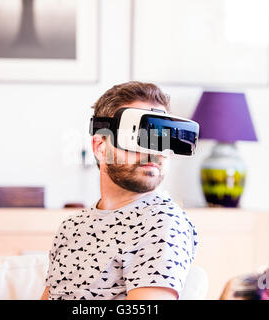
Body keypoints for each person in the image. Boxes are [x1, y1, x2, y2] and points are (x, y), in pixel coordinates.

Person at [41, 81, 198, 300]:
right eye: (138, 136)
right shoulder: (71, 228)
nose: (154, 152)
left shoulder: (163, 221)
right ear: (100, 147)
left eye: (162, 139)